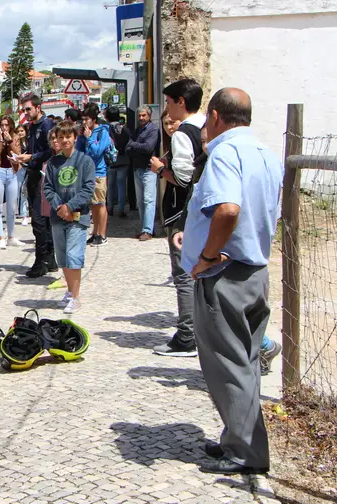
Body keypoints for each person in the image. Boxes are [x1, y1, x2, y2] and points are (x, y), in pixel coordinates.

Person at [175, 88, 282, 475]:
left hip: (225, 276)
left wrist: (206, 255)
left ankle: (246, 452)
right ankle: (237, 438)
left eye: (206, 120)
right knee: (247, 362)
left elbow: (228, 209)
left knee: (228, 365)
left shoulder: (224, 152)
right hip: (255, 271)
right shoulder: (266, 154)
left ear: (216, 116)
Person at [149, 78, 206, 357]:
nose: (168, 109)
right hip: (203, 210)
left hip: (182, 214)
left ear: (181, 102)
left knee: (183, 275)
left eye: (169, 102)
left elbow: (183, 179)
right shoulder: (206, 127)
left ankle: (186, 337)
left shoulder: (184, 133)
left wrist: (160, 170)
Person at [44, 121, 95, 314]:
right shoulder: (53, 163)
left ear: (75, 137)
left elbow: (88, 189)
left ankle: (75, 297)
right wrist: (59, 206)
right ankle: (69, 290)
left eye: (68, 136)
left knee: (74, 256)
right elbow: (47, 188)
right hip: (58, 216)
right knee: (63, 257)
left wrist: (69, 206)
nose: (64, 140)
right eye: (60, 137)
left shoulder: (85, 161)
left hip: (78, 216)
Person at [16, 96, 55, 278]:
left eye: (28, 109)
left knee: (40, 221)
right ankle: (49, 259)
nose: (26, 113)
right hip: (32, 175)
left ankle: (42, 261)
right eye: (24, 110)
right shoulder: (31, 127)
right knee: (41, 221)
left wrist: (31, 157)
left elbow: (49, 151)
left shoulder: (46, 125)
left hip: (43, 176)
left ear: (38, 108)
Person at [76, 103, 112, 247]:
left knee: (100, 204)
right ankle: (95, 233)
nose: (84, 122)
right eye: (82, 120)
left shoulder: (102, 132)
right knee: (93, 205)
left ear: (93, 119)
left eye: (87, 119)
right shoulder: (84, 133)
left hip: (99, 173)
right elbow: (79, 152)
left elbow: (97, 152)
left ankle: (102, 235)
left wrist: (89, 139)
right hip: (86, 173)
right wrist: (81, 138)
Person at [0, 115, 24, 249]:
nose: (4, 128)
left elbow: (18, 155)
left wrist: (10, 142)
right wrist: (1, 142)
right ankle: (1, 237)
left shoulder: (15, 137)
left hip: (12, 173)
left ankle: (11, 236)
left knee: (12, 208)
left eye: (6, 125)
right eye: (2, 125)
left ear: (10, 126)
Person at [126, 105, 161, 241]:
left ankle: (148, 230)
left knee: (149, 200)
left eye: (143, 115)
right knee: (140, 201)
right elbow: (127, 149)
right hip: (137, 168)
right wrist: (135, 146)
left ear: (149, 116)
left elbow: (148, 148)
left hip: (149, 169)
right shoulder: (137, 130)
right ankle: (146, 228)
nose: (141, 118)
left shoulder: (153, 130)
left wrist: (134, 145)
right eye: (139, 116)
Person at [105, 107, 132, 219]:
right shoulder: (124, 129)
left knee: (110, 186)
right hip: (123, 159)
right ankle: (121, 209)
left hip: (110, 161)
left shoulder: (106, 129)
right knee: (121, 186)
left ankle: (109, 208)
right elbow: (130, 141)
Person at [14, 125, 30, 227]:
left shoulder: (30, 142)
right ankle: (24, 215)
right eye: (18, 131)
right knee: (21, 192)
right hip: (20, 169)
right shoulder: (15, 143)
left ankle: (30, 213)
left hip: (31, 168)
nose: (20, 133)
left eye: (22, 131)